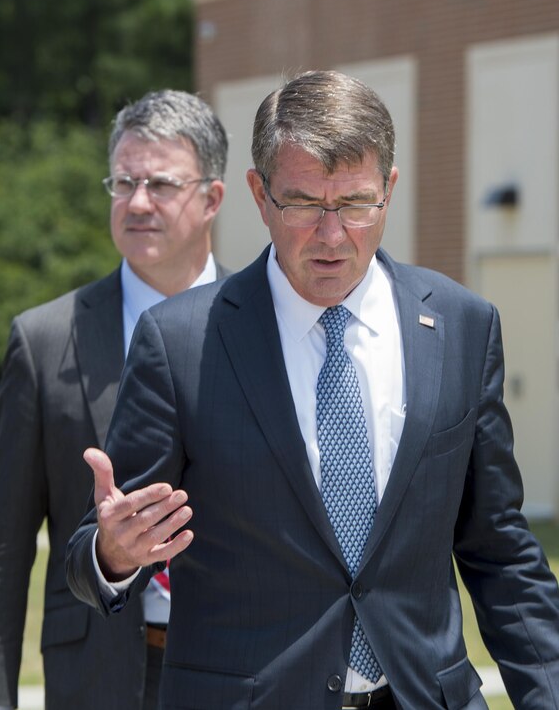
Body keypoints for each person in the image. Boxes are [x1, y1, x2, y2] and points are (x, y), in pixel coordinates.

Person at [65, 70, 559, 709]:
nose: (331, 235)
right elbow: (89, 554)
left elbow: (500, 552)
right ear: (259, 194)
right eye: (302, 203)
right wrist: (112, 551)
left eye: (355, 203)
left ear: (389, 189)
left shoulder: (462, 327)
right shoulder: (180, 341)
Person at [0, 90, 227, 710]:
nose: (138, 202)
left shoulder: (267, 328)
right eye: (123, 182)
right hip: (99, 677)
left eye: (161, 184)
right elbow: (1, 564)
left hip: (243, 672)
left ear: (212, 198)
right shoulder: (44, 341)